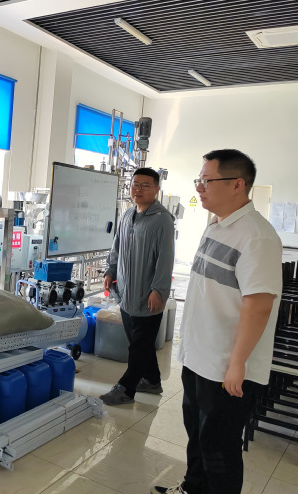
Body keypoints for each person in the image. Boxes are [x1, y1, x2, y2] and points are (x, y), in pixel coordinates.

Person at [153, 150, 282, 494]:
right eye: (199, 180)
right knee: (197, 434)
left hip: (227, 367)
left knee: (219, 448)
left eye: (206, 181)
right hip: (199, 358)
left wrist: (237, 363)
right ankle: (192, 488)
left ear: (237, 184)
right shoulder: (216, 225)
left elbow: (258, 306)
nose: (199, 188)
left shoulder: (257, 237)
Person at [99, 167, 175, 406]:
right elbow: (117, 247)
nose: (138, 189)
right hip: (125, 293)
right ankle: (152, 380)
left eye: (145, 185)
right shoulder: (128, 215)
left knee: (139, 346)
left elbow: (166, 258)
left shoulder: (162, 220)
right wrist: (110, 271)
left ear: (156, 190)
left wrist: (159, 290)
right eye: (135, 184)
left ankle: (126, 388)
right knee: (139, 342)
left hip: (147, 294)